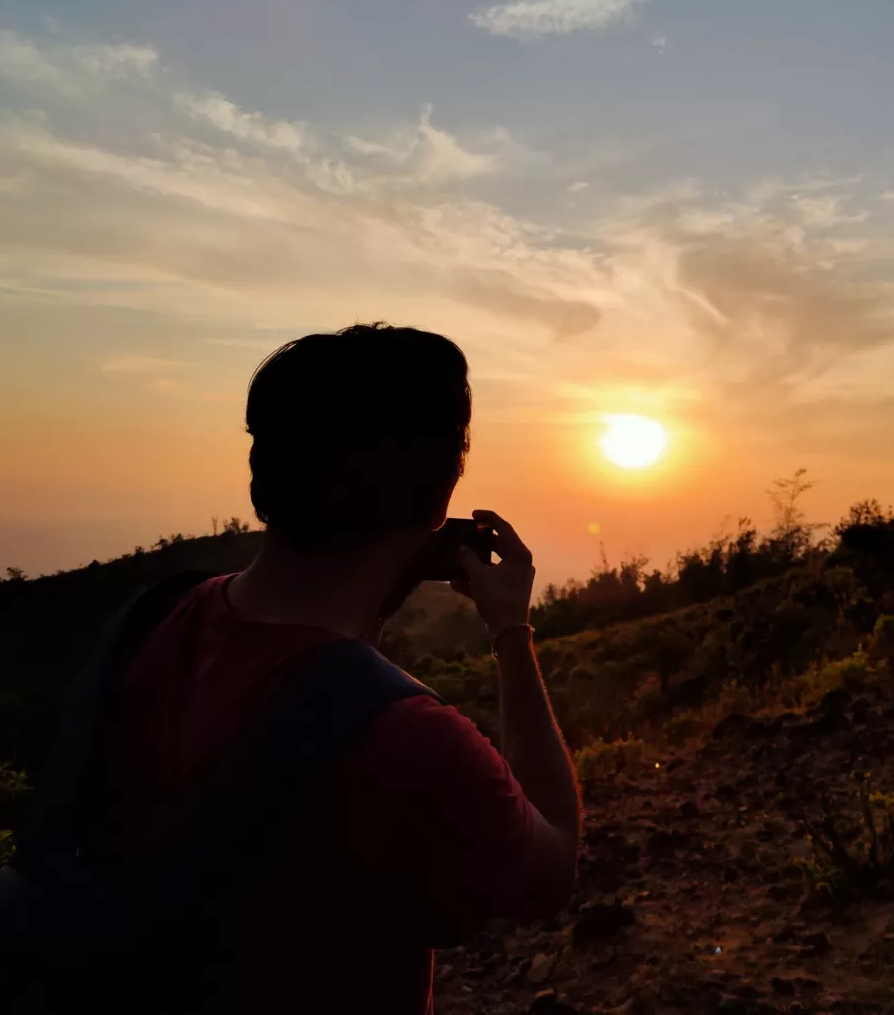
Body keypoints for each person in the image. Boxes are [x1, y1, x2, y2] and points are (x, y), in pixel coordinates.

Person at [99, 324, 579, 1013]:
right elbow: (552, 869)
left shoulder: (157, 622)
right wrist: (511, 632)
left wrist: (387, 574)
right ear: (441, 491)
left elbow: (323, 675)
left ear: (266, 477)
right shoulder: (406, 741)